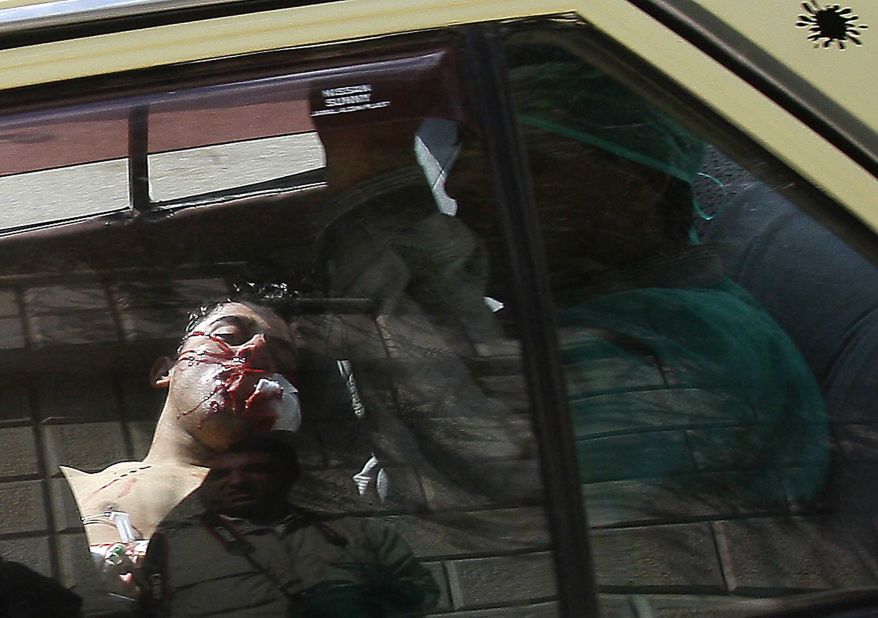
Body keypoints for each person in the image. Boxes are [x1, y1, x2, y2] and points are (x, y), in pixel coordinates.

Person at [447, 44, 830, 504]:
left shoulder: (660, 355)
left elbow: (510, 543)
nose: (458, 182)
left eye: (522, 162)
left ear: (638, 186)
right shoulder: (604, 315)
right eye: (464, 149)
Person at [61, 297, 302, 593]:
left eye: (280, 360)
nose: (259, 354)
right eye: (227, 336)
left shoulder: (299, 517)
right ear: (166, 372)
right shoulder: (64, 490)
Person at [139, 431, 439, 617]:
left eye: (256, 470)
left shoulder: (354, 532)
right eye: (221, 475)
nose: (237, 482)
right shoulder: (172, 544)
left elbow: (420, 590)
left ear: (288, 475)